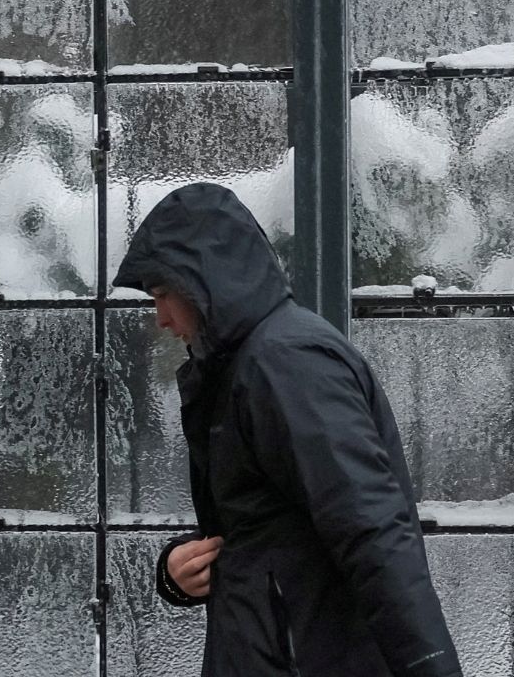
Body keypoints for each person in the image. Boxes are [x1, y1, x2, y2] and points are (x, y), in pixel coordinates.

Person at [113, 182, 462, 677]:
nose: (162, 319)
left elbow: (371, 531)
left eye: (165, 295)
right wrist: (179, 569)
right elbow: (268, 526)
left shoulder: (286, 363)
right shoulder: (250, 363)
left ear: (206, 282)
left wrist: (431, 669)